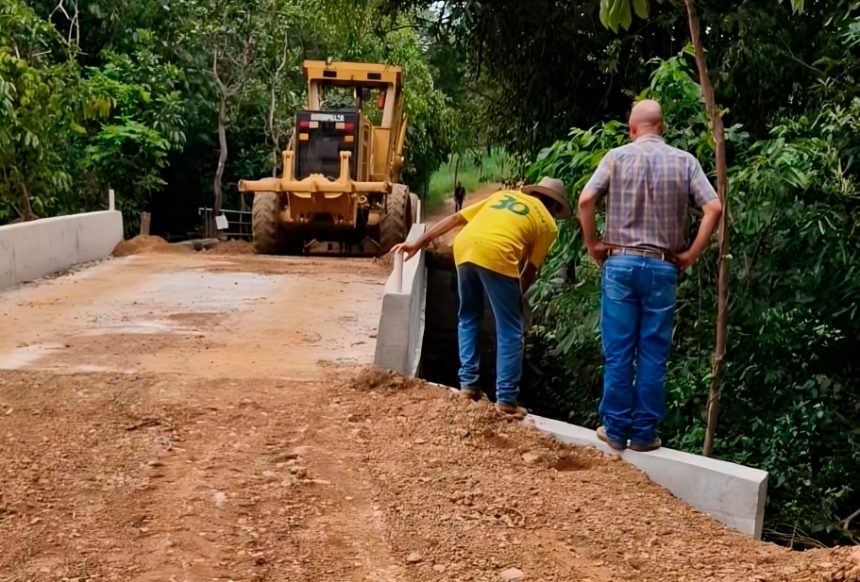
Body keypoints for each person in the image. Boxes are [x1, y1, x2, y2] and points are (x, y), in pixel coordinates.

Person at [578, 99, 722, 452]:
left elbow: (585, 201)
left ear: (632, 129)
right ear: (662, 126)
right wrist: (690, 253)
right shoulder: (684, 161)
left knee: (618, 350)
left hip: (621, 263)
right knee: (653, 352)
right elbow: (714, 207)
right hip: (662, 265)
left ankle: (615, 430)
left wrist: (593, 243)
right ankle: (643, 433)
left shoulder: (616, 157)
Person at [392, 177, 571, 417]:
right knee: (510, 329)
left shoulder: (503, 196)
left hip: (465, 247)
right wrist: (514, 299)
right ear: (555, 207)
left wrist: (417, 242)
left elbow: (456, 219)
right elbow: (530, 270)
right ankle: (506, 399)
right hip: (498, 252)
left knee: (468, 317)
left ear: (535, 193)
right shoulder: (548, 224)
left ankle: (468, 386)